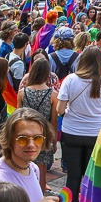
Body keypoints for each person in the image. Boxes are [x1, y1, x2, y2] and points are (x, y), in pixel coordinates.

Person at [57, 46, 101, 202]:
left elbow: (60, 109)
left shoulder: (70, 80)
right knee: (90, 178)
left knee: (73, 176)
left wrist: (70, 111)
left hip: (72, 132)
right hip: (96, 134)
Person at [17, 57, 59, 193]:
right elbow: (53, 121)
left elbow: (17, 118)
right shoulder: (53, 95)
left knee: (24, 168)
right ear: (47, 74)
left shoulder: (23, 93)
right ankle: (39, 201)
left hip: (24, 135)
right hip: (43, 136)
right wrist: (54, 140)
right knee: (41, 172)